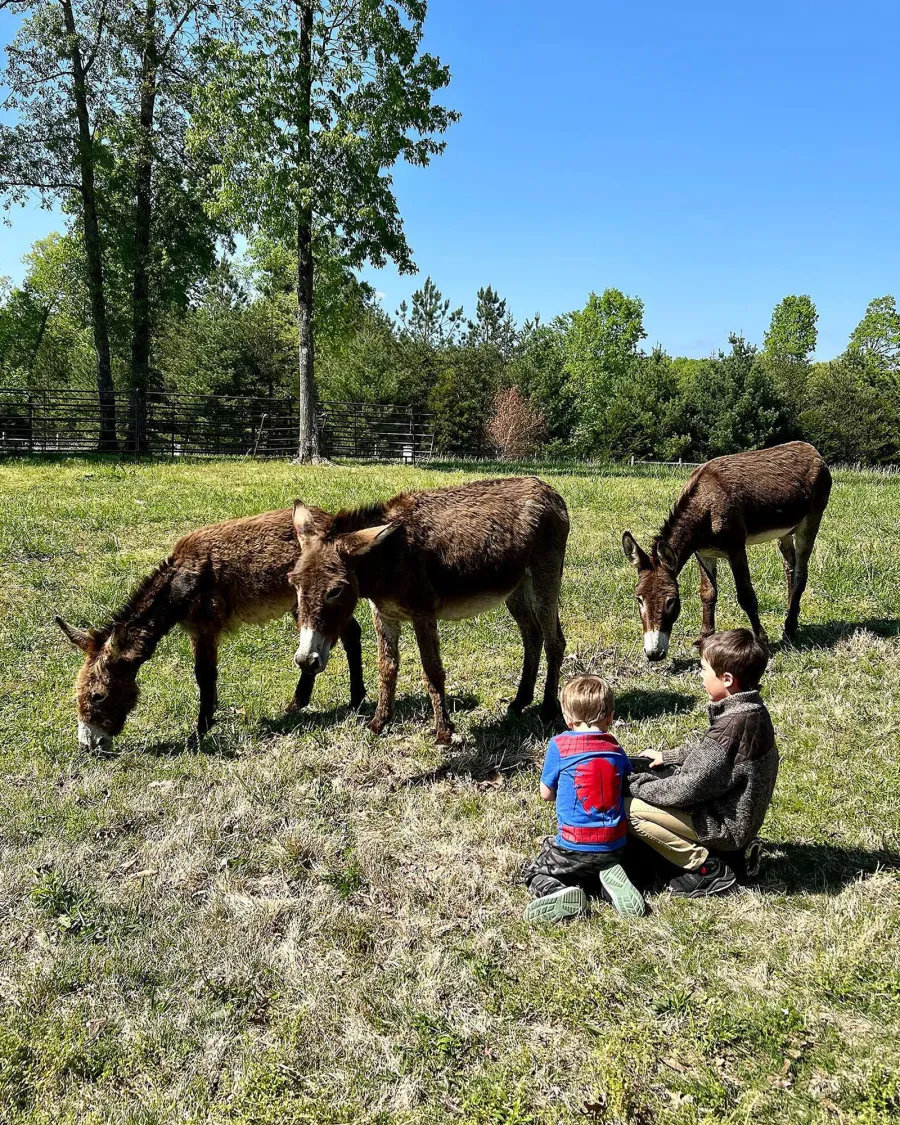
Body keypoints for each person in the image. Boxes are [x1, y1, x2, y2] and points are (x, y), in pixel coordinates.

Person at [627, 628, 778, 898]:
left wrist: (635, 785)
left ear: (727, 679)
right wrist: (668, 758)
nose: (700, 675)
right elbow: (712, 755)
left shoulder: (733, 726)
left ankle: (706, 867)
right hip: (737, 820)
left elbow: (689, 787)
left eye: (703, 669)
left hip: (724, 828)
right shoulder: (752, 712)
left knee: (631, 810)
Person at [523, 675, 646, 922]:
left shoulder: (559, 745)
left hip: (573, 845)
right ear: (610, 717)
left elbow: (546, 794)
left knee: (534, 871)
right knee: (596, 869)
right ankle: (607, 886)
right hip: (614, 847)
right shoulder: (614, 747)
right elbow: (625, 780)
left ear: (568, 719)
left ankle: (557, 891)